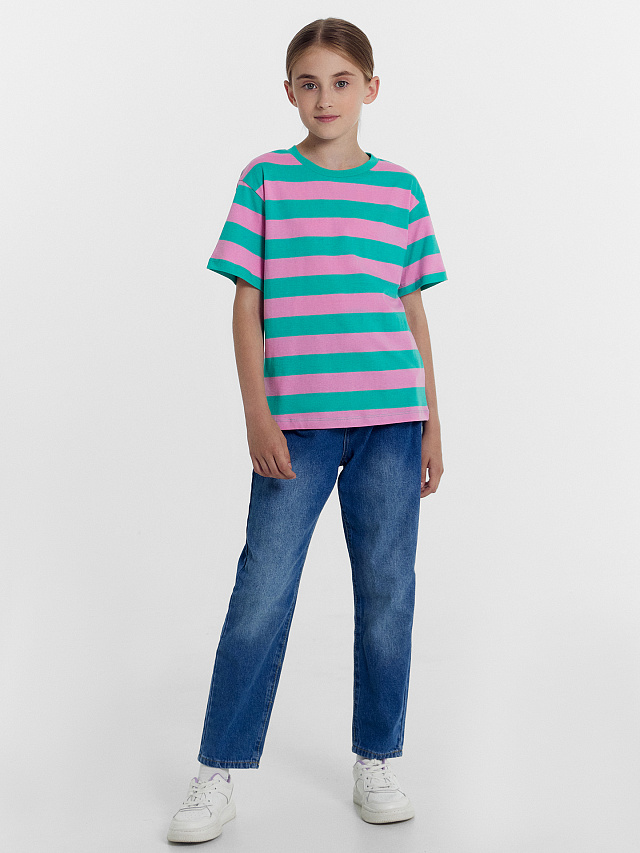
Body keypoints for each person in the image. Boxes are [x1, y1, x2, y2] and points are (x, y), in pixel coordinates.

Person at [167, 16, 448, 844]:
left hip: (393, 420)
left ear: (371, 88)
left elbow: (411, 308)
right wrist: (258, 410)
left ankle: (378, 757)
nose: (326, 98)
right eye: (310, 83)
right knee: (262, 589)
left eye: (341, 82)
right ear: (289, 91)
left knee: (389, 591)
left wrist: (433, 419)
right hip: (298, 426)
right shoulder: (266, 179)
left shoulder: (401, 189)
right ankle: (217, 769)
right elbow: (246, 301)